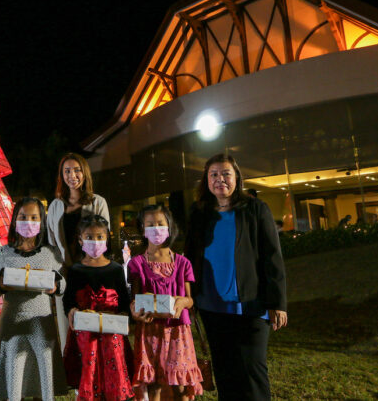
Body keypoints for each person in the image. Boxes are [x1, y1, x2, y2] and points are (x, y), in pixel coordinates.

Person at [185, 153, 287, 401]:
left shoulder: (255, 209)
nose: (220, 179)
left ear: (237, 178)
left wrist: (277, 303)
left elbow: (272, 257)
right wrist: (189, 298)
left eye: (226, 173)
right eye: (214, 175)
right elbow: (189, 259)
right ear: (206, 181)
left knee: (252, 371)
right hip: (212, 306)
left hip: (251, 305)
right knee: (225, 372)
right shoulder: (199, 213)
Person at [0, 197, 67, 401]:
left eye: (34, 217)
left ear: (42, 221)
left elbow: (61, 283)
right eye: (23, 217)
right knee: (14, 376)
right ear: (14, 220)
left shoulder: (50, 253)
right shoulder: (3, 253)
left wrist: (56, 286)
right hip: (12, 322)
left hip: (41, 322)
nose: (28, 221)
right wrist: (0, 282)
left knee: (42, 373)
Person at [128, 205, 203, 401]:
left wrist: (183, 302)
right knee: (154, 384)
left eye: (160, 224)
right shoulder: (136, 264)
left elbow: (190, 299)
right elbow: (134, 300)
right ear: (142, 229)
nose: (156, 228)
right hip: (149, 331)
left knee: (179, 383)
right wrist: (135, 312)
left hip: (178, 331)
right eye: (150, 224)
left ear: (169, 227)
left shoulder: (183, 263)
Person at [63, 215, 133, 401]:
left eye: (100, 237)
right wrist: (71, 311)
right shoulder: (76, 270)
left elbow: (124, 302)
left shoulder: (116, 269)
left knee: (115, 377)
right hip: (86, 337)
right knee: (89, 374)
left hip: (112, 336)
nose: (95, 241)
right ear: (80, 240)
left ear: (107, 239)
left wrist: (125, 317)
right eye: (89, 237)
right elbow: (68, 300)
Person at [47, 153, 110, 350]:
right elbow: (52, 245)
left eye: (77, 170)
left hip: (92, 275)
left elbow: (104, 240)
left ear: (85, 173)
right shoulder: (56, 206)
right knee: (68, 332)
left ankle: (94, 377)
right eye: (66, 171)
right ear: (61, 176)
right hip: (65, 275)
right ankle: (72, 379)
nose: (71, 175)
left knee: (93, 333)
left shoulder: (98, 202)